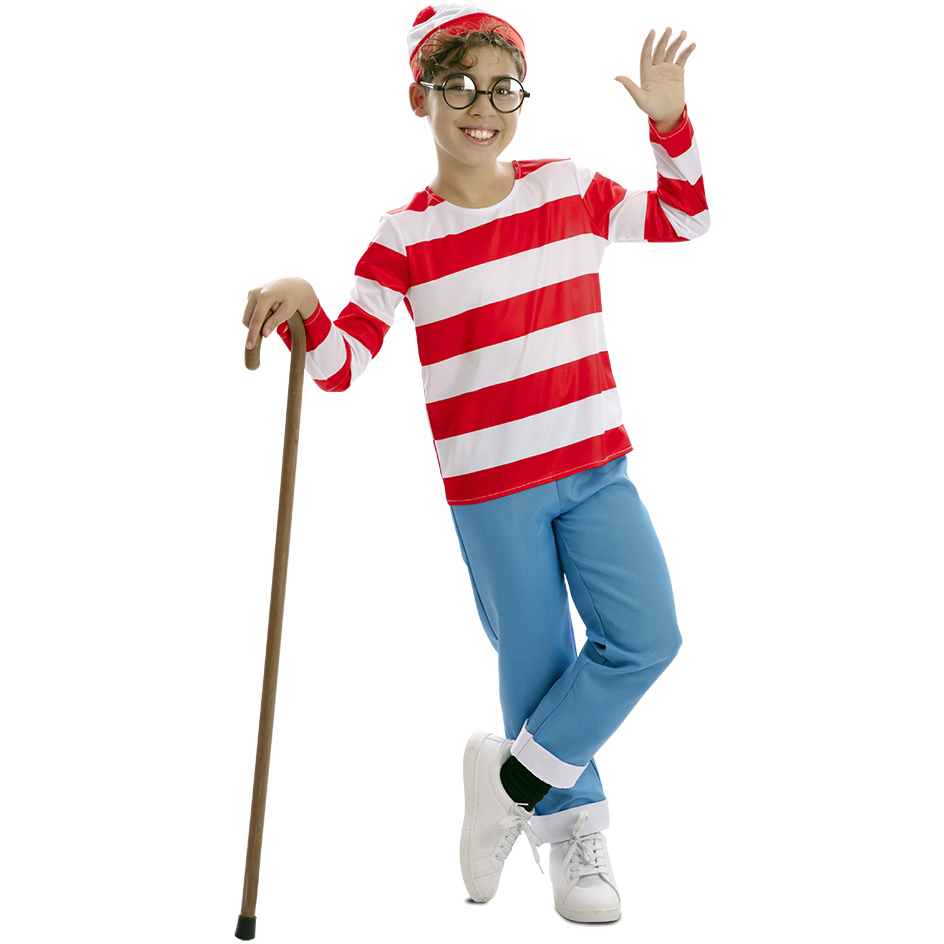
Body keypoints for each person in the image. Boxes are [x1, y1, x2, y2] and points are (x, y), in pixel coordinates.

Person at [242, 2, 708, 924]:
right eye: (457, 88)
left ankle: (510, 787)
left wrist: (670, 125)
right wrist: (304, 305)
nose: (481, 107)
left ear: (521, 97)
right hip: (492, 494)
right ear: (419, 97)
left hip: (594, 465)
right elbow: (340, 366)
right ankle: (573, 838)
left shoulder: (569, 188)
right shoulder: (403, 237)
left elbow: (685, 219)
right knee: (539, 664)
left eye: (502, 89)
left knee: (647, 637)